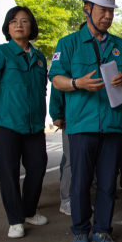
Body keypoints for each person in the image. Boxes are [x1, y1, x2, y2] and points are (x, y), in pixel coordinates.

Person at [49, 0, 122, 242]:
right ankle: (80, 231)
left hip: (112, 124)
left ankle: (102, 231)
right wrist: (77, 84)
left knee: (108, 183)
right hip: (82, 124)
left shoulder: (120, 45)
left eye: (111, 11)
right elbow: (56, 78)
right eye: (102, 9)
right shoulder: (69, 43)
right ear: (87, 8)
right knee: (81, 182)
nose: (108, 16)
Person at [0, 6, 48, 239]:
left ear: (31, 27)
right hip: (5, 125)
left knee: (38, 167)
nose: (19, 25)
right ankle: (15, 220)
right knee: (9, 172)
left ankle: (28, 211)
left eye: (24, 21)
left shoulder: (38, 58)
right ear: (8, 27)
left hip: (34, 126)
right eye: (14, 21)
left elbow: (41, 90)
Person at [49, 85, 72, 215]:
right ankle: (66, 200)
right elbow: (58, 85)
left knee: (83, 162)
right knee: (71, 160)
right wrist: (57, 114)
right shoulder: (63, 64)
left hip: (89, 119)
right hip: (71, 118)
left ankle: (78, 200)